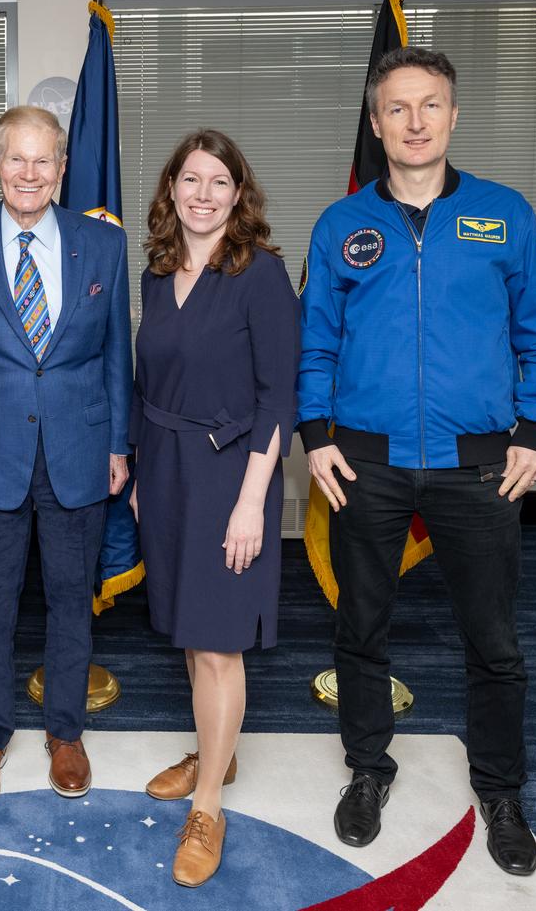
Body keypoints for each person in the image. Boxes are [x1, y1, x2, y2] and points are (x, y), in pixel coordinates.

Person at [297, 46, 536, 877]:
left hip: (481, 467)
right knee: (361, 627)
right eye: (397, 107)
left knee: (493, 638)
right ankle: (368, 769)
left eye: (430, 105)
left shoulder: (506, 215)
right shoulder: (341, 223)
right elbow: (314, 339)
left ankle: (500, 788)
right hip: (365, 464)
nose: (415, 122)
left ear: (454, 116)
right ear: (376, 121)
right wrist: (317, 436)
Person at [0, 105, 132, 809]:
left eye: (44, 160)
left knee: (74, 597)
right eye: (17, 158)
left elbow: (114, 355)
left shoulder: (102, 245)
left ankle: (65, 731)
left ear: (63, 168)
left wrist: (115, 443)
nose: (30, 173)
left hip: (79, 444)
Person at [129, 130, 300, 886]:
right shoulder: (156, 273)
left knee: (220, 639)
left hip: (233, 473)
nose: (203, 194)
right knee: (192, 633)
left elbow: (279, 397)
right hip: (165, 470)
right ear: (171, 190)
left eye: (218, 182)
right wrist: (138, 471)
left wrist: (252, 503)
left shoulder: (260, 273)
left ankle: (208, 802)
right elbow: (146, 383)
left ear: (240, 194)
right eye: (190, 180)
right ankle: (216, 750)